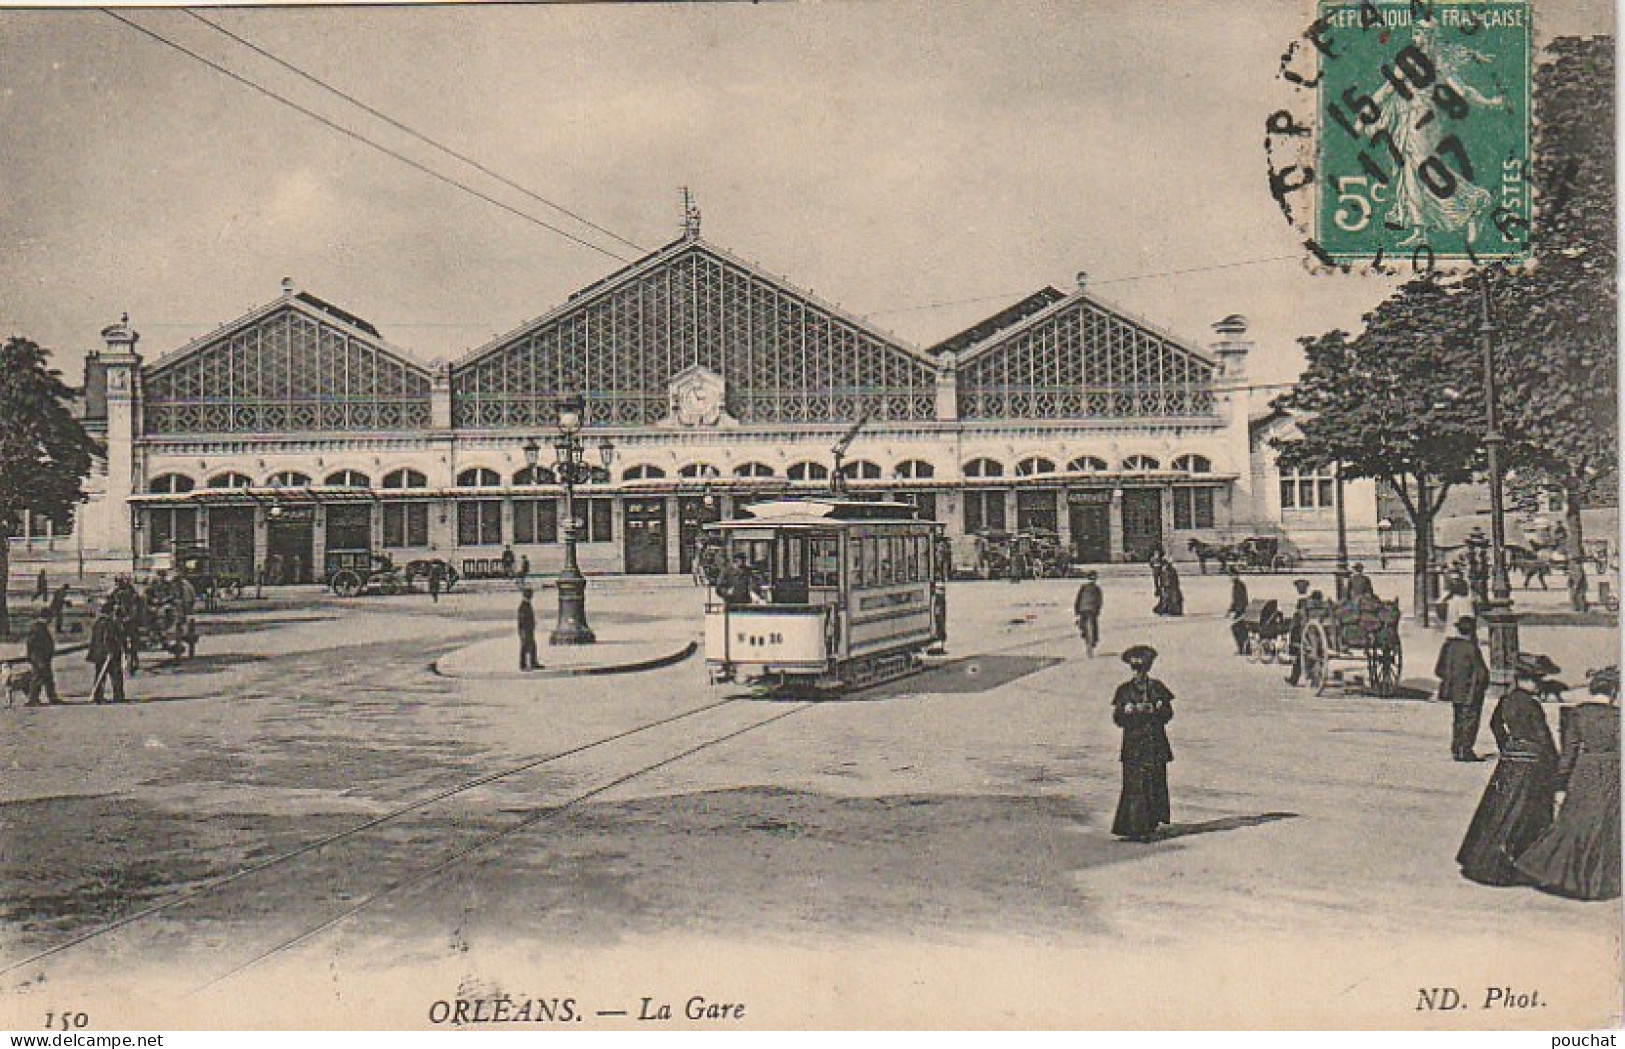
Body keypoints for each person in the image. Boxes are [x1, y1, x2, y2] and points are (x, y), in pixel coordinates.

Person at [1515, 667, 1621, 900]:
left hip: (1584, 770)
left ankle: (1559, 874)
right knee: (1605, 824)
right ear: (1613, 691)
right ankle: (1597, 882)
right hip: (1613, 772)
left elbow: (1569, 753)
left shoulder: (1577, 714)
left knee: (1575, 820)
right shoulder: (1618, 717)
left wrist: (1560, 784)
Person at [1456, 654, 1562, 886]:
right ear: (1526, 680)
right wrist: (1555, 764)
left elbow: (1495, 725)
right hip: (1532, 763)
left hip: (1510, 762)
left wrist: (1507, 745)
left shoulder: (1507, 700)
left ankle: (1484, 860)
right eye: (1536, 681)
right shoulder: (1532, 705)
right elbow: (1542, 737)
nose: (1539, 686)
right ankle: (1515, 865)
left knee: (1499, 812)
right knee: (1525, 814)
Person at [1111, 645, 1176, 843]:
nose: (1138, 674)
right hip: (1133, 745)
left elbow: (1168, 715)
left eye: (1142, 670)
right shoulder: (1124, 690)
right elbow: (1118, 719)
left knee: (1154, 783)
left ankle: (1151, 824)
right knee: (1134, 785)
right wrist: (1127, 711)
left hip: (1155, 743)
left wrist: (1158, 709)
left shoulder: (1157, 688)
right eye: (1135, 670)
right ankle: (1133, 827)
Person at [1435, 616, 1490, 762]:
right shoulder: (1472, 649)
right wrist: (1482, 686)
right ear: (1472, 631)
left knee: (1458, 719)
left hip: (1454, 692)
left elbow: (1439, 670)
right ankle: (1465, 751)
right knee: (1470, 720)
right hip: (1470, 692)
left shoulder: (1449, 647)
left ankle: (1456, 748)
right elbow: (1481, 673)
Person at [88, 600, 127, 704]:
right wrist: (110, 650)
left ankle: (98, 696)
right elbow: (107, 638)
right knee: (116, 675)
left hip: (99, 654)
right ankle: (118, 696)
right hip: (109, 654)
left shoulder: (97, 622)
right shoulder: (109, 623)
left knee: (100, 675)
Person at [25, 609, 61, 706]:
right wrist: (34, 658)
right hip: (39, 658)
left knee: (48, 677)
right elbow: (32, 644)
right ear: (46, 617)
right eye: (51, 618)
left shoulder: (41, 627)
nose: (52, 620)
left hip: (43, 657)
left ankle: (52, 697)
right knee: (38, 678)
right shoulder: (37, 628)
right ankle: (32, 699)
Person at [1284, 579, 1313, 686]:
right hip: (1312, 631)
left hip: (1303, 633)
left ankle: (1294, 678)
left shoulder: (1301, 602)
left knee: (1299, 655)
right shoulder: (1310, 600)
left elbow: (1297, 620)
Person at [1073, 570, 1103, 658]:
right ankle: (1093, 640)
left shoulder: (1083, 587)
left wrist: (1076, 610)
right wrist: (1098, 610)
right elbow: (1099, 601)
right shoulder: (1097, 589)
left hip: (1083, 609)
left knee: (1083, 625)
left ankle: (1086, 637)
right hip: (1092, 610)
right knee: (1094, 625)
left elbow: (1078, 599)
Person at [517, 587, 539, 671]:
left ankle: (533, 662)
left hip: (527, 629)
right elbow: (522, 619)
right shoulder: (523, 606)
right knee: (525, 646)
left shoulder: (526, 604)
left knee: (532, 646)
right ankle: (523, 665)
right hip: (525, 630)